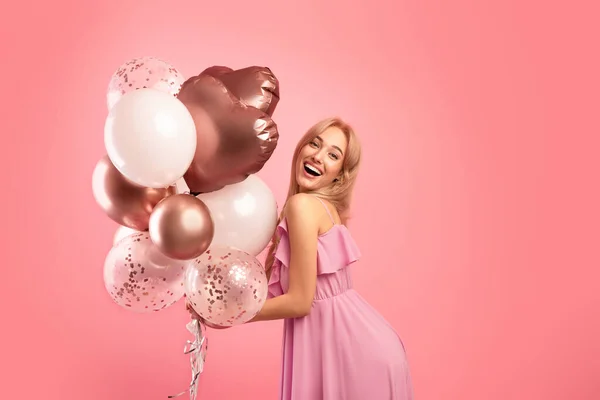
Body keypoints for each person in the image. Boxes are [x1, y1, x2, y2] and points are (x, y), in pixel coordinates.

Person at [189, 117, 414, 399]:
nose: (318, 157)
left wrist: (230, 316)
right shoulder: (323, 208)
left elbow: (299, 301)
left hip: (353, 354)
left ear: (340, 175)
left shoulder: (303, 206)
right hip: (365, 346)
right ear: (301, 148)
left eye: (333, 155)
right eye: (314, 144)